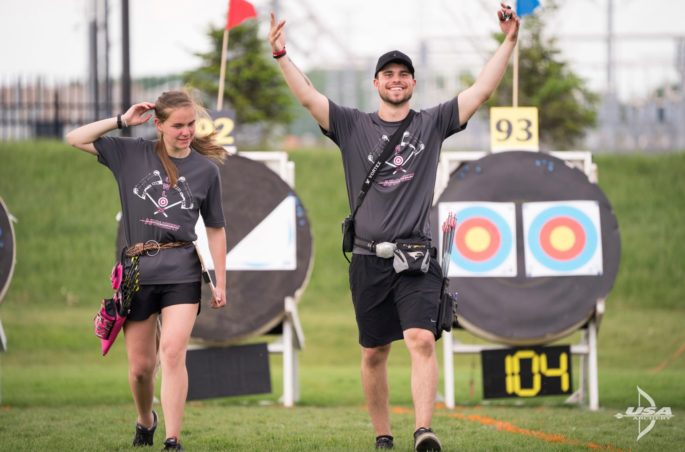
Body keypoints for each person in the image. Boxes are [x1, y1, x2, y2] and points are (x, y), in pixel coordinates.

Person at [269, 3, 519, 451]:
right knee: (373, 352)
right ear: (376, 83)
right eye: (389, 74)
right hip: (367, 258)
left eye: (404, 74)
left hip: (418, 256)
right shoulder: (350, 125)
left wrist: (510, 41)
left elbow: (480, 90)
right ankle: (383, 436)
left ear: (413, 84)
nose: (396, 80)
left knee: (421, 339)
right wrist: (282, 56)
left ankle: (423, 431)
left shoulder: (433, 122)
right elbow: (308, 96)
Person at [66, 90, 228, 451]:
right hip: (138, 274)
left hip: (183, 272)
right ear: (158, 125)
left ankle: (172, 439)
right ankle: (146, 421)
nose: (186, 132)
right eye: (178, 125)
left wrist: (219, 281)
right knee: (141, 368)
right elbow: (74, 138)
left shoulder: (206, 170)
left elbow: (216, 229)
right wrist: (123, 120)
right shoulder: (131, 154)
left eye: (191, 124)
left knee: (172, 353)